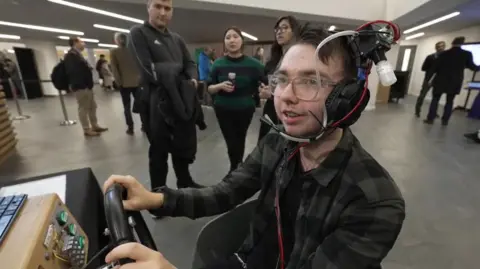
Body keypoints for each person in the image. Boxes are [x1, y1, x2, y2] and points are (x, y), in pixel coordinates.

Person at [104, 24, 405, 269]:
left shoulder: (374, 200)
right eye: (282, 80)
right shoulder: (278, 142)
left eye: (311, 81)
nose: (286, 95)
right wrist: (155, 199)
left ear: (347, 99)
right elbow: (225, 193)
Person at [128, 0, 203, 190]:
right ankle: (157, 194)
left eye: (167, 8)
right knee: (159, 150)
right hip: (155, 102)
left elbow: (190, 64)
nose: (163, 12)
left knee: (181, 144)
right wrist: (178, 72)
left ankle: (184, 182)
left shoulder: (176, 39)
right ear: (148, 8)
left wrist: (192, 78)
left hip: (180, 100)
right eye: (158, 6)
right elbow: (148, 70)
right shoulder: (138, 33)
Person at [207, 27, 266, 173]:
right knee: (230, 141)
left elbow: (267, 82)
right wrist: (220, 86)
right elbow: (209, 88)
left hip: (245, 108)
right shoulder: (218, 64)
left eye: (235, 37)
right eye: (228, 37)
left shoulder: (254, 64)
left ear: (242, 40)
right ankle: (236, 168)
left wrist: (263, 91)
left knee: (239, 139)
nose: (232, 40)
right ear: (224, 42)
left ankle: (235, 169)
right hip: (223, 108)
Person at [258, 15, 301, 143]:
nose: (279, 31)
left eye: (284, 28)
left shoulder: (301, 58)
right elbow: (271, 82)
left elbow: (299, 88)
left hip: (291, 109)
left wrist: (270, 94)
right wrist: (264, 89)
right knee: (266, 146)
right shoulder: (274, 59)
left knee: (285, 147)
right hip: (272, 109)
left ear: (294, 32)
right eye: (277, 29)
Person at [424, 36, 479, 125]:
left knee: (435, 100)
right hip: (455, 82)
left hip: (440, 81)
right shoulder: (466, 54)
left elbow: (434, 68)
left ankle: (430, 119)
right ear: (462, 44)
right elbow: (473, 67)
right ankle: (445, 121)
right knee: (450, 101)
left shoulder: (443, 54)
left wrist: (427, 79)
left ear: (452, 43)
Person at [64, 37, 108, 137]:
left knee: (92, 106)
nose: (84, 44)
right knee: (83, 108)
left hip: (87, 86)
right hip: (81, 87)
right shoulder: (71, 56)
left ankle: (95, 125)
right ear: (75, 43)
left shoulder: (78, 55)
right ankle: (86, 129)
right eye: (82, 42)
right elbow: (73, 72)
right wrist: (82, 84)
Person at [110, 32, 143, 135]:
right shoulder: (135, 51)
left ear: (117, 41)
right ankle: (144, 125)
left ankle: (130, 128)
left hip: (124, 84)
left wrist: (118, 82)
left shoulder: (114, 52)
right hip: (137, 82)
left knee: (127, 107)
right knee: (141, 105)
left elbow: (115, 69)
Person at [415, 41, 445, 117]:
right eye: (439, 46)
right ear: (436, 48)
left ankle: (433, 112)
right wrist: (431, 69)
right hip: (428, 79)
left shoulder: (446, 58)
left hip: (439, 80)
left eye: (442, 46)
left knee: (436, 97)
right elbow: (423, 68)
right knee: (422, 95)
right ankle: (417, 110)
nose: (441, 48)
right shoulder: (430, 57)